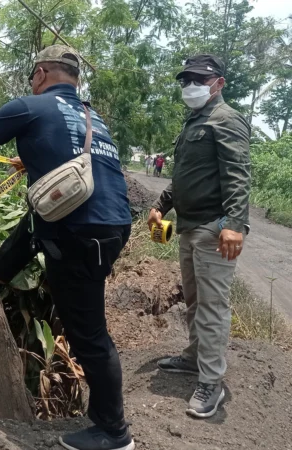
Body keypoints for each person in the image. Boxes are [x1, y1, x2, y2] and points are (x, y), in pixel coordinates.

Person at [0, 45, 134, 450]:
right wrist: (28, 160)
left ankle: (113, 432)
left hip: (83, 233)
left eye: (33, 75)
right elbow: (70, 156)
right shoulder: (89, 116)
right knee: (37, 220)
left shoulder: (29, 105)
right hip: (111, 223)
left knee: (89, 336)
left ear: (42, 73)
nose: (32, 82)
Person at [148, 54, 251, 419]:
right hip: (190, 227)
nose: (190, 86)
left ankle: (212, 382)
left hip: (214, 227)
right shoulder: (194, 121)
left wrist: (235, 225)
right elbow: (184, 176)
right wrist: (162, 204)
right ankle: (194, 357)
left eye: (198, 79)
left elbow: (238, 175)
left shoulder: (226, 119)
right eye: (186, 79)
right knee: (194, 302)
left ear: (219, 83)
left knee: (211, 307)